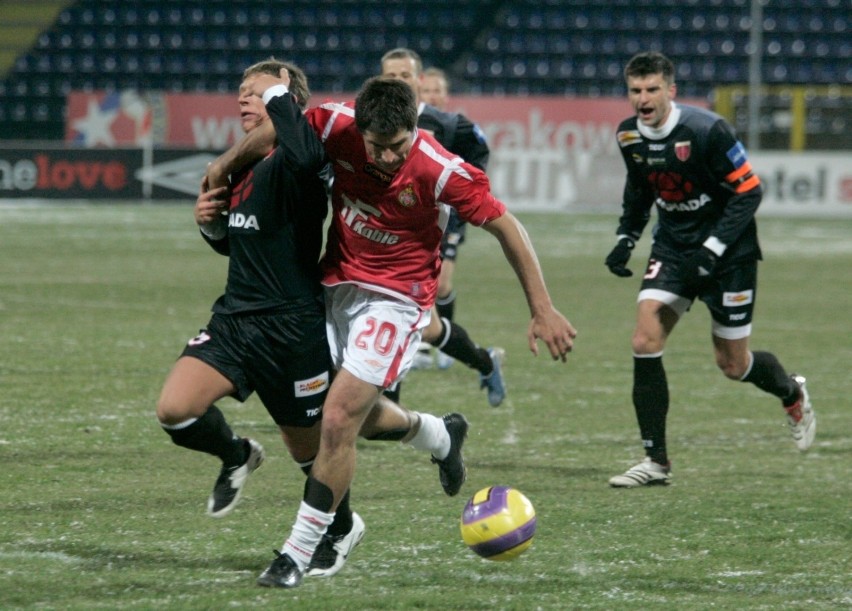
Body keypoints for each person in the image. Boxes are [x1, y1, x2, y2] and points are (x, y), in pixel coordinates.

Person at [221, 75, 576, 588]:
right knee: (336, 418)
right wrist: (222, 168)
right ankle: (438, 434)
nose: (388, 158)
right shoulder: (336, 125)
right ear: (359, 130)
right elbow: (282, 128)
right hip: (334, 288)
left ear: (415, 127)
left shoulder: (438, 168)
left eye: (398, 146)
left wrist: (542, 309)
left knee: (338, 418)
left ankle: (300, 552)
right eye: (377, 147)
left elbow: (507, 226)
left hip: (396, 303)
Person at [155, 59, 369, 579]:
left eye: (256, 92)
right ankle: (236, 454)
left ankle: (341, 528)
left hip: (292, 327)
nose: (243, 100)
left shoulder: (305, 156)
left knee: (307, 452)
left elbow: (301, 146)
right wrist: (211, 228)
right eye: (241, 92)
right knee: (175, 410)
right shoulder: (246, 166)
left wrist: (278, 102)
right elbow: (241, 245)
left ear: (285, 97)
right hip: (235, 317)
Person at [604, 51, 816, 488]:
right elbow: (640, 189)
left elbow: (749, 191)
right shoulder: (628, 136)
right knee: (645, 337)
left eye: (652, 89)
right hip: (675, 247)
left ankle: (791, 392)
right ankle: (655, 462)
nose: (643, 99)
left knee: (733, 364)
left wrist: (714, 248)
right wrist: (627, 237)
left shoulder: (706, 130)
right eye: (635, 90)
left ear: (671, 90)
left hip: (730, 252)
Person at [380, 48, 504, 408]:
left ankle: (390, 405)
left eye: (405, 76)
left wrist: (463, 192)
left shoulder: (445, 124)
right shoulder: (367, 120)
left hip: (422, 237)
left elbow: (478, 151)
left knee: (399, 310)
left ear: (418, 81)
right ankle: (484, 361)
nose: (397, 83)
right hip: (377, 233)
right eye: (391, 77)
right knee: (428, 326)